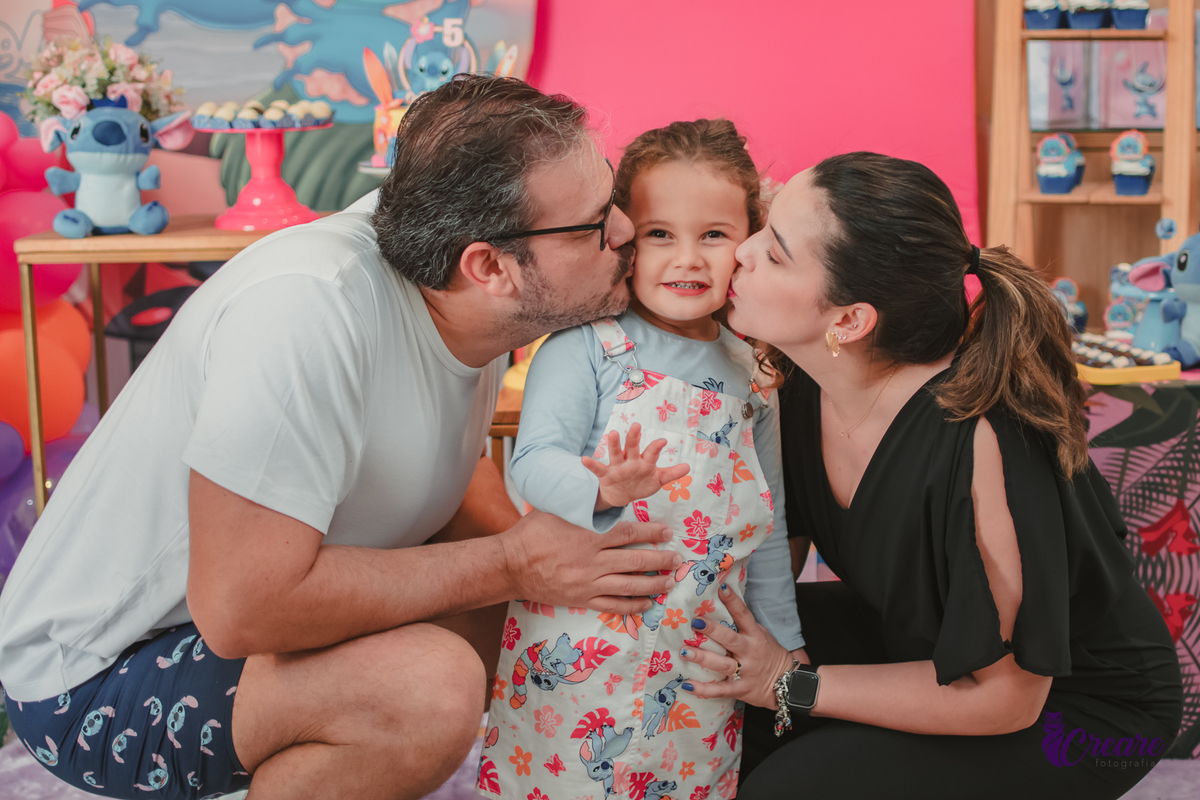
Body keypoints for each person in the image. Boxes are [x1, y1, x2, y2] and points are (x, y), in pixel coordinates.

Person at [0, 75, 685, 800]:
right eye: (592, 224)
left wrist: (567, 563)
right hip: (90, 679)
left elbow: (440, 468)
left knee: (537, 619)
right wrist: (516, 564)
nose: (623, 232)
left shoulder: (455, 286)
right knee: (427, 688)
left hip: (218, 622)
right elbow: (241, 609)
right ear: (489, 267)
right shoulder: (308, 310)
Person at [675, 152, 1184, 799]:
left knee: (792, 788)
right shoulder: (801, 388)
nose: (740, 253)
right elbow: (768, 581)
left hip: (1085, 713)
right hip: (922, 642)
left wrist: (791, 684)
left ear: (850, 321)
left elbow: (1008, 700)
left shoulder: (986, 439)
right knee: (705, 660)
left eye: (775, 253)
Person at [482, 120, 804, 799]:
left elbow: (769, 526)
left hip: (697, 662)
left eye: (713, 235)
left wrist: (785, 647)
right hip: (581, 652)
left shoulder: (754, 374)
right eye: (661, 233)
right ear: (623, 234)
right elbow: (532, 464)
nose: (687, 258)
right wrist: (601, 490)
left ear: (748, 242)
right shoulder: (586, 347)